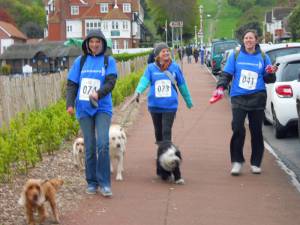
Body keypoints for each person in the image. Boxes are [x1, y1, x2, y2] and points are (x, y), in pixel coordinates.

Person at [210, 29, 277, 176]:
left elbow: (269, 79)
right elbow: (227, 74)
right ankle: (237, 161)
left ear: (256, 40)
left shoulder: (263, 57)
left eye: (251, 38)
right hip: (238, 96)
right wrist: (220, 87)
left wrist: (271, 72)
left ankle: (256, 163)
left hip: (257, 97)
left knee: (256, 131)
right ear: (243, 40)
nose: (248, 40)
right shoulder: (235, 55)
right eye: (246, 38)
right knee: (237, 127)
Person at [66, 29, 118, 196]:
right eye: (91, 42)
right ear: (87, 44)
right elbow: (72, 84)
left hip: (102, 108)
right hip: (83, 109)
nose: (94, 44)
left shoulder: (108, 61)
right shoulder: (80, 62)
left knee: (102, 144)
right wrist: (69, 104)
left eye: (98, 42)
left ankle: (104, 184)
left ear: (103, 43)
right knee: (89, 146)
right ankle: (91, 181)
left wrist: (98, 93)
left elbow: (111, 82)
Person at [134, 42, 193, 144]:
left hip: (170, 105)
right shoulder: (150, 68)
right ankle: (161, 150)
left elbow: (182, 85)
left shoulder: (175, 67)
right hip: (155, 105)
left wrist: (188, 101)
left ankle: (167, 153)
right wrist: (138, 91)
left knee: (166, 131)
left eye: (167, 51)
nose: (166, 53)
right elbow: (144, 81)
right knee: (158, 132)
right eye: (163, 51)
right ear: (157, 55)